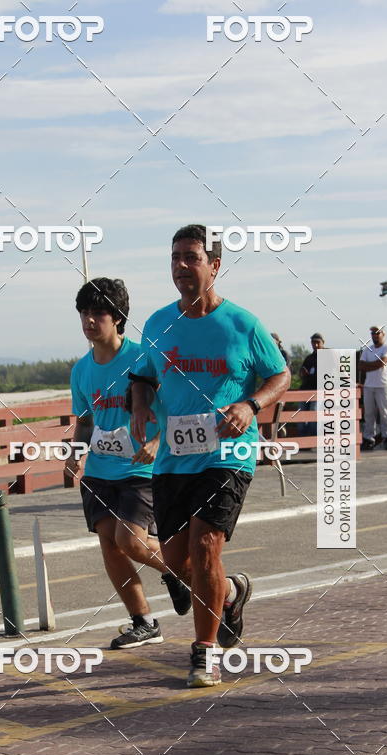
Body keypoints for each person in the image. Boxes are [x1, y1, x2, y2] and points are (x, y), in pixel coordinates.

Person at [130, 225, 290, 688]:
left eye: (191, 258)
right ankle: (233, 594)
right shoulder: (159, 323)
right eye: (175, 257)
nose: (181, 266)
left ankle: (204, 653)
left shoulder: (243, 324)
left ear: (215, 265)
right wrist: (140, 404)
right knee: (178, 561)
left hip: (229, 453)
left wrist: (251, 404)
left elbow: (280, 375)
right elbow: (141, 376)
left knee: (204, 548)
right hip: (174, 460)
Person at [68, 277, 191, 650]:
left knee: (130, 539)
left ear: (118, 318)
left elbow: (173, 406)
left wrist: (156, 440)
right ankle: (143, 621)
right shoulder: (80, 371)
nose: (90, 321)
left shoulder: (142, 358)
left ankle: (184, 573)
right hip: (101, 472)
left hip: (141, 468)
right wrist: (76, 456)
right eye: (85, 313)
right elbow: (86, 420)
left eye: (99, 313)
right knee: (111, 546)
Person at [359, 325, 387, 451]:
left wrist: (371, 365)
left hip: (383, 384)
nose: (375, 335)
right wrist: (374, 365)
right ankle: (369, 438)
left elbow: (382, 362)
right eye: (373, 333)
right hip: (369, 385)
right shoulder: (367, 349)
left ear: (383, 334)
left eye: (377, 333)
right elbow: (361, 366)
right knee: (368, 413)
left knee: (385, 413)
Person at [299, 333, 325, 438]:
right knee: (300, 413)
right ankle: (303, 438)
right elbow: (301, 372)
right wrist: (303, 373)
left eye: (318, 342)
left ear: (323, 343)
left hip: (319, 390)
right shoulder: (309, 358)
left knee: (314, 412)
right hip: (306, 389)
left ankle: (313, 439)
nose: (316, 345)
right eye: (313, 342)